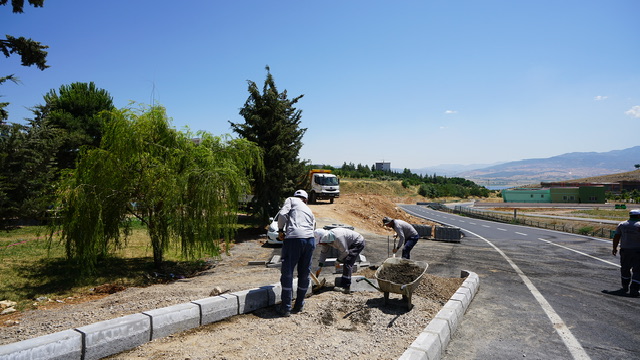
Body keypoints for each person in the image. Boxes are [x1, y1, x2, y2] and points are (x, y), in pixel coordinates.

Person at [276, 189, 316, 316]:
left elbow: (282, 215)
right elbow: (314, 226)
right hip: (310, 240)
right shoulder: (309, 210)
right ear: (306, 200)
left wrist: (281, 230)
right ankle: (299, 305)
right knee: (304, 273)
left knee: (287, 273)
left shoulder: (291, 200)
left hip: (294, 239)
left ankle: (286, 307)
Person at [313, 228, 366, 294]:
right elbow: (324, 253)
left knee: (347, 262)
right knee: (346, 261)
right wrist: (320, 265)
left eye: (320, 242)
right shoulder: (326, 241)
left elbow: (345, 252)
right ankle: (344, 281)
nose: (320, 244)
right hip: (350, 243)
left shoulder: (337, 238)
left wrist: (338, 260)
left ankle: (346, 287)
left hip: (358, 242)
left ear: (324, 238)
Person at [607, 209, 640, 297]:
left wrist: (614, 248)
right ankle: (634, 288)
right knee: (638, 270)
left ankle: (625, 286)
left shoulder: (622, 224)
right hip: (638, 251)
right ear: (638, 216)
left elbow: (616, 237)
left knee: (625, 268)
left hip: (625, 250)